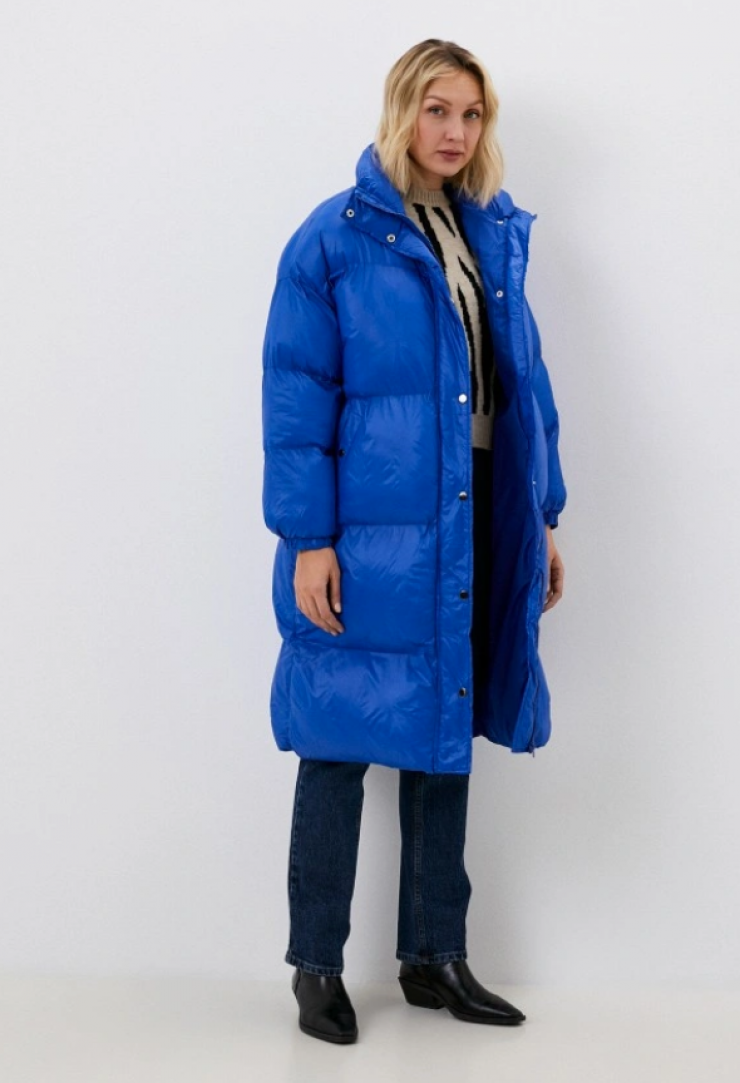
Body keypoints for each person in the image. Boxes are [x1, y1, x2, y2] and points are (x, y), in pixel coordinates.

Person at [260, 38, 567, 1044]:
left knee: (443, 733)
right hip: (363, 529)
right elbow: (296, 401)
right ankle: (315, 966)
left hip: (470, 512)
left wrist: (542, 514)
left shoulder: (487, 232)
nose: (455, 132)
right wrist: (310, 538)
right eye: (438, 110)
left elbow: (525, 390)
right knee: (339, 740)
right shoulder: (333, 240)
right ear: (401, 112)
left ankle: (435, 954)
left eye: (471, 115)